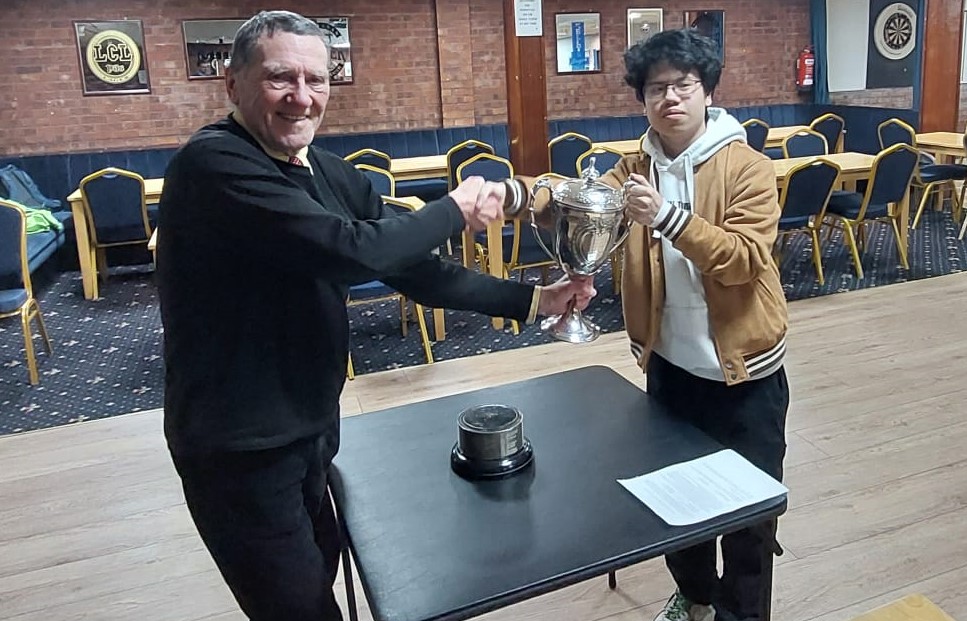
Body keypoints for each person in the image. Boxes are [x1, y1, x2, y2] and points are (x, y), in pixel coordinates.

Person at [156, 10, 594, 621]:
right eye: (281, 78)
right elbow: (355, 251)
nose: (302, 97)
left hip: (309, 425)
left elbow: (411, 267)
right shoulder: (215, 167)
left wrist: (531, 301)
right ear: (233, 83)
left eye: (318, 80)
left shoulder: (323, 172)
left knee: (321, 572)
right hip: (240, 449)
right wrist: (456, 208)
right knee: (298, 607)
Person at [502, 28, 789, 621]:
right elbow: (576, 197)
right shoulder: (634, 168)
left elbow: (743, 261)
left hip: (746, 377)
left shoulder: (748, 168)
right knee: (679, 505)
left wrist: (667, 216)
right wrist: (517, 194)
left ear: (707, 90)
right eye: (656, 89)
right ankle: (697, 597)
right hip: (671, 369)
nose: (670, 99)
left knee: (751, 519)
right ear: (642, 99)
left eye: (683, 85)